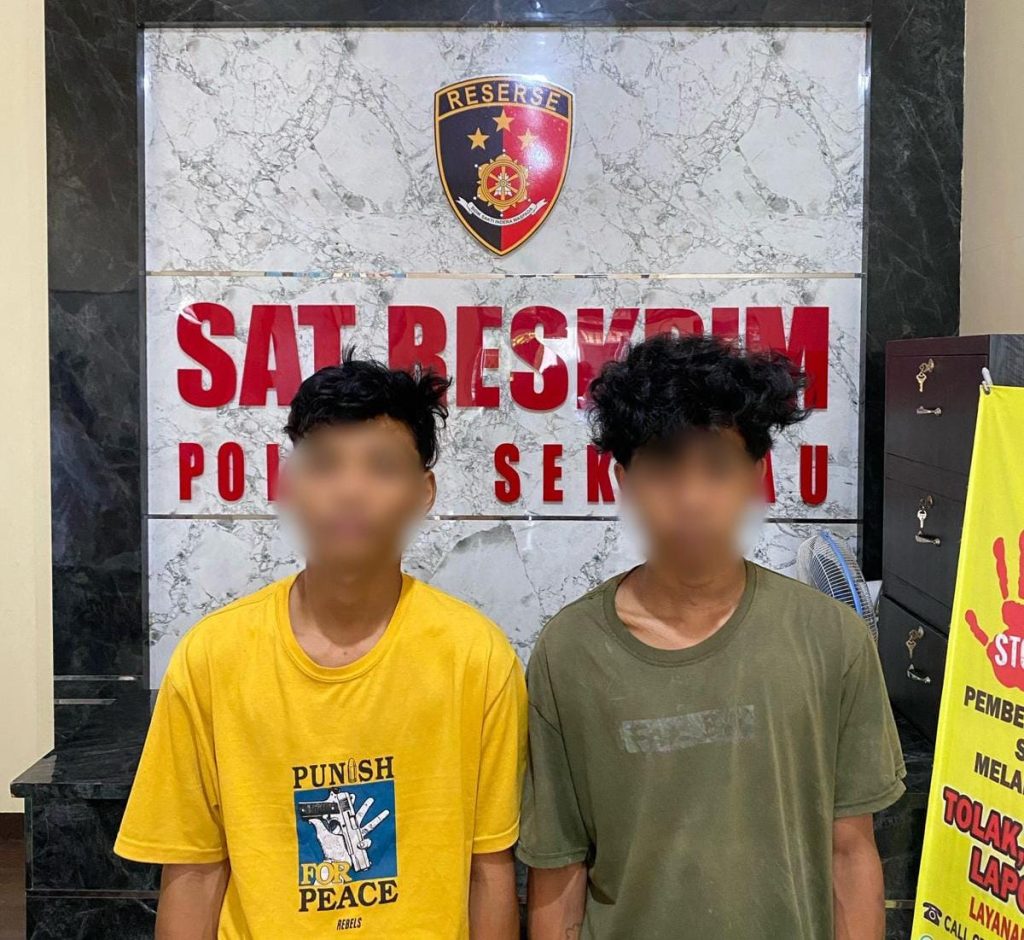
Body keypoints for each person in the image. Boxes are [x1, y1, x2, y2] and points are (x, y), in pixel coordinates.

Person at [115, 354, 527, 939]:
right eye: (325, 464)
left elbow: (489, 871)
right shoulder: (213, 656)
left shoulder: (476, 657)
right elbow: (194, 873)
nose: (351, 490)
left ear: (423, 492)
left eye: (382, 466)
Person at [518, 334, 905, 940]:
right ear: (623, 479)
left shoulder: (831, 638)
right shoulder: (569, 651)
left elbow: (850, 854)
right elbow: (559, 874)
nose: (692, 498)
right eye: (663, 468)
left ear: (756, 476)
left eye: (718, 467)